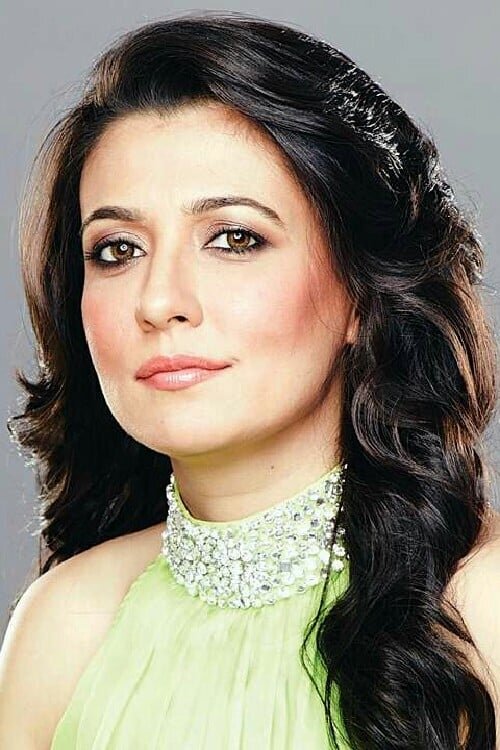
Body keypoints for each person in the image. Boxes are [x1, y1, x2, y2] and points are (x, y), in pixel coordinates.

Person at [1, 9, 499, 749]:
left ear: (361, 293)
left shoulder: (481, 611)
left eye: (235, 238)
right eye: (117, 250)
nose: (159, 302)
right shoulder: (65, 625)